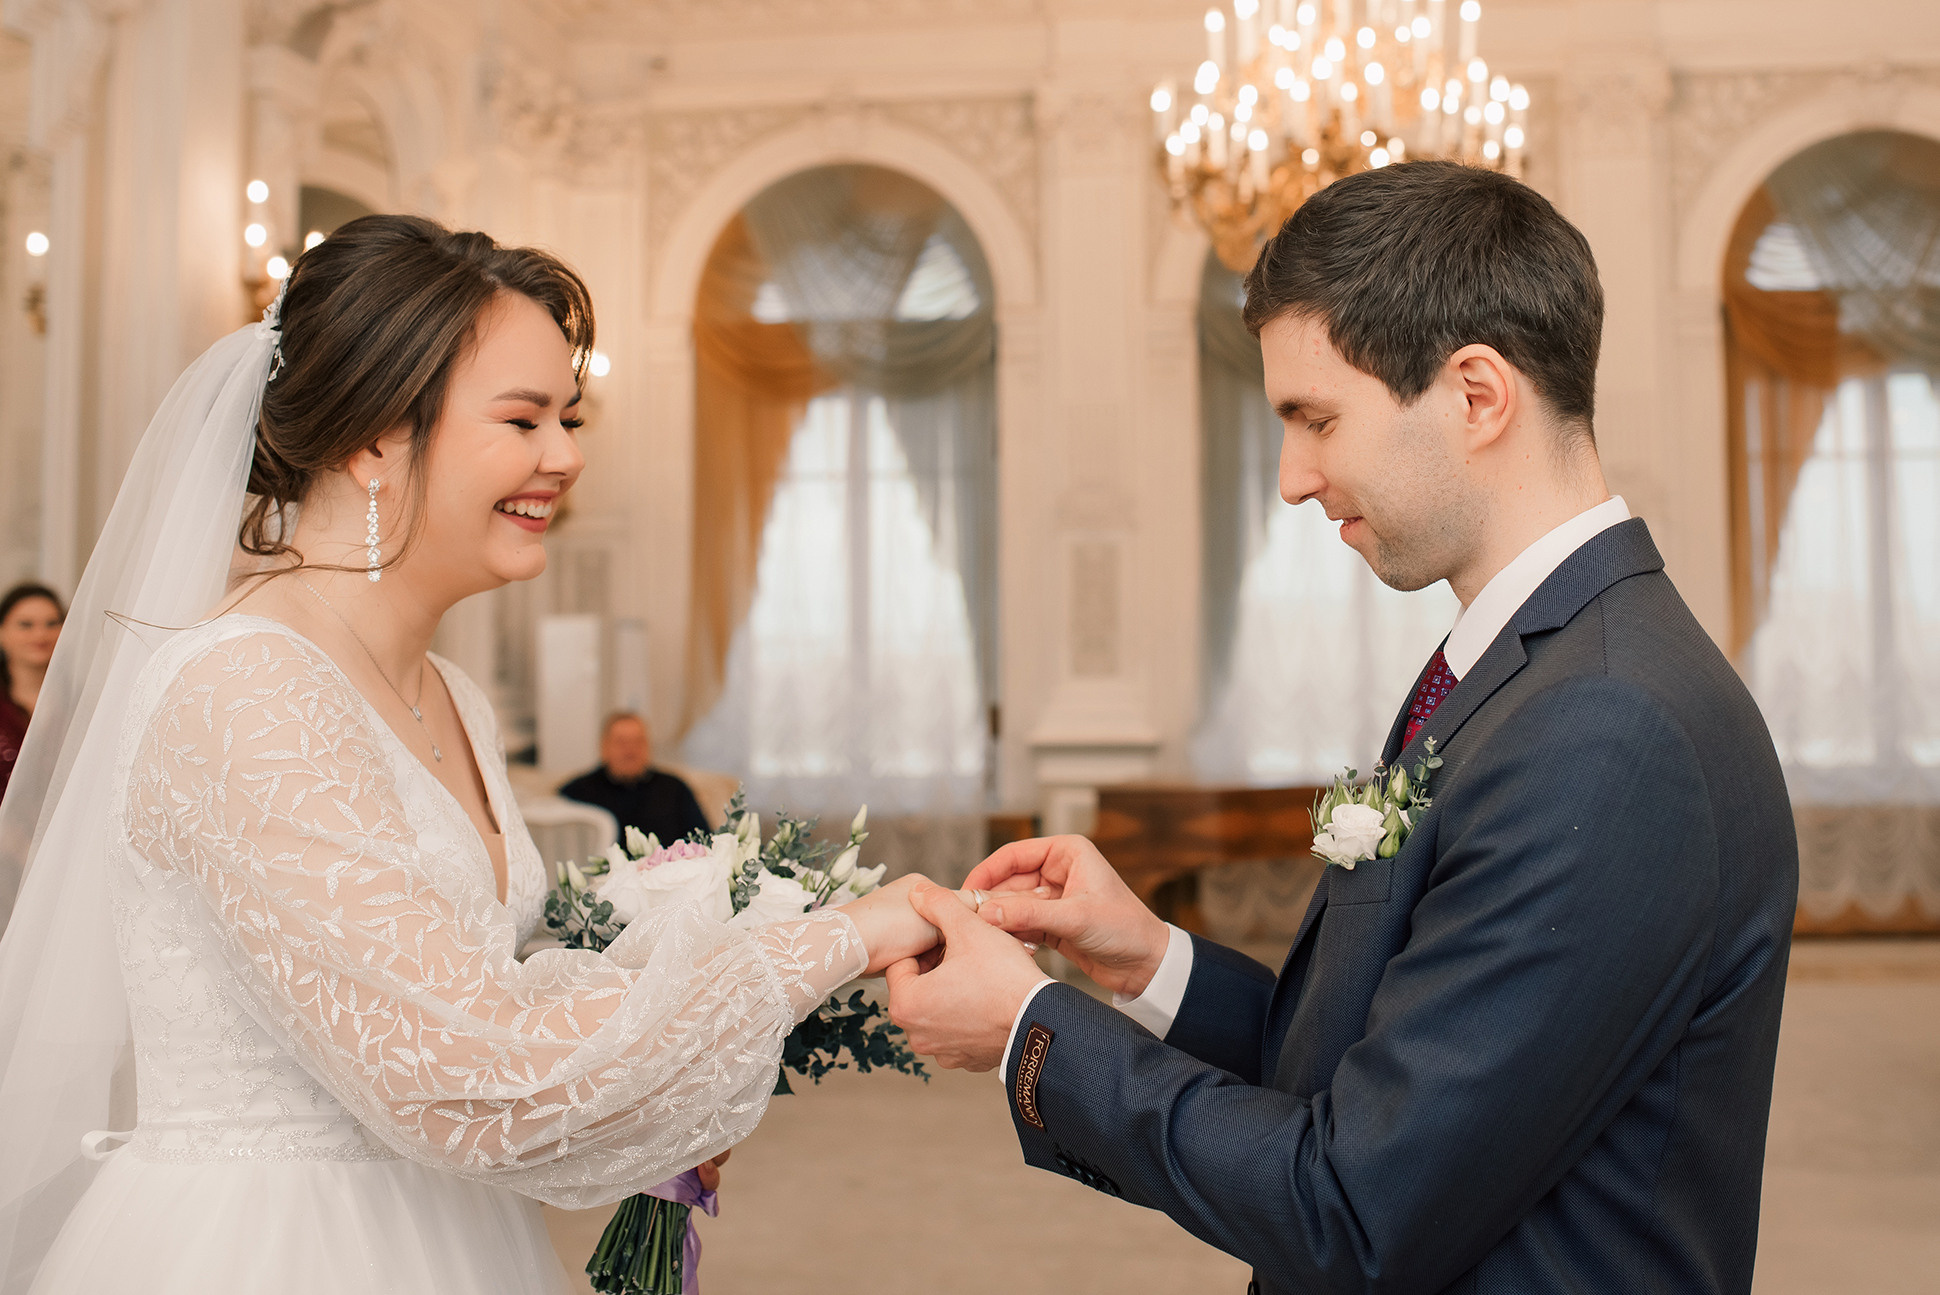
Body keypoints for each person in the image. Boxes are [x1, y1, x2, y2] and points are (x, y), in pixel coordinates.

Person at [885, 162, 1799, 1295]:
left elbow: (1355, 1204)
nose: (1290, 477)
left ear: (1475, 394)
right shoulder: (1536, 664)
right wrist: (1146, 958)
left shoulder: (1605, 727)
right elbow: (1383, 1071)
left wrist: (1032, 1023)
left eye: (1316, 418)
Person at [0, 215, 947, 1293]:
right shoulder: (246, 692)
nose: (567, 455)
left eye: (570, 415)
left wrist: (670, 1040)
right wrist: (828, 941)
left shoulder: (450, 691)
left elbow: (489, 988)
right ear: (370, 438)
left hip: (453, 1235)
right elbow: (464, 1076)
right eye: (523, 417)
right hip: (275, 1248)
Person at [559, 712, 710, 844]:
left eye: (638, 741)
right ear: (604, 747)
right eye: (622, 742)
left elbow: (704, 839)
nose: (631, 750)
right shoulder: (578, 791)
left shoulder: (674, 788)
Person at [0, 584, 63, 806]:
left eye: (51, 624)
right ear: (2, 632)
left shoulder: (84, 704)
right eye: (25, 625)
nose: (40, 634)